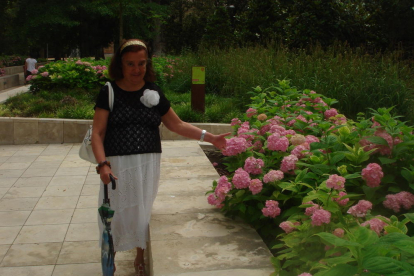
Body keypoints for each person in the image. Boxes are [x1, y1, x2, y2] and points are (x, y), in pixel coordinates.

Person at [91, 39, 229, 276]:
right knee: (117, 210)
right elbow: (98, 132)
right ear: (120, 65)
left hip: (148, 163)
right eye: (130, 64)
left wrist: (211, 137)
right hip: (118, 164)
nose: (136, 69)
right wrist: (102, 164)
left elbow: (177, 124)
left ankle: (140, 256)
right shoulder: (109, 91)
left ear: (147, 64)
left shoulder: (154, 91)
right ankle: (109, 257)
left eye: (141, 63)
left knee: (142, 210)